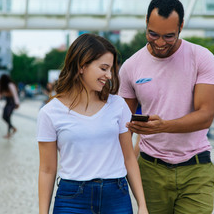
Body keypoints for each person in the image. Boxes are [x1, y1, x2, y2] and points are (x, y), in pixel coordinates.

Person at [118, 0, 214, 214]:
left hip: (196, 169)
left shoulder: (201, 57)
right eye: (153, 34)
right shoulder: (130, 67)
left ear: (181, 26)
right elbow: (121, 124)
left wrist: (163, 126)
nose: (160, 42)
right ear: (146, 21)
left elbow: (206, 115)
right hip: (150, 170)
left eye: (169, 36)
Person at [37, 33, 148, 214]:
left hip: (116, 197)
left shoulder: (118, 105)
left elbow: (129, 158)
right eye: (104, 68)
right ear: (82, 66)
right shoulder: (50, 113)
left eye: (111, 69)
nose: (109, 75)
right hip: (71, 200)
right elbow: (47, 170)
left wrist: (142, 205)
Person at [0, 74, 20, 139]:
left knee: (8, 116)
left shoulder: (10, 85)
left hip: (12, 102)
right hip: (8, 102)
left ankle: (8, 133)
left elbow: (15, 94)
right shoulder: (3, 86)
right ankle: (13, 128)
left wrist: (17, 103)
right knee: (4, 116)